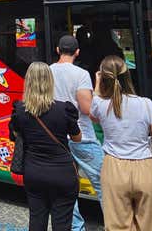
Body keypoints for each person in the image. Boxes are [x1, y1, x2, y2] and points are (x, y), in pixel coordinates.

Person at [90, 55, 152, 230]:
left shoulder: (101, 105)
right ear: (127, 76)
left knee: (118, 225)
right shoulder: (145, 104)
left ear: (103, 77)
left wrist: (97, 84)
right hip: (145, 167)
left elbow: (92, 113)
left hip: (114, 169)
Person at [10, 62, 81, 231]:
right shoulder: (63, 109)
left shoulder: (20, 110)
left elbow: (14, 135)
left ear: (28, 82)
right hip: (63, 173)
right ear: (50, 82)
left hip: (34, 172)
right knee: (62, 223)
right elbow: (77, 138)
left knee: (36, 220)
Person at [49, 35, 102, 231]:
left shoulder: (47, 72)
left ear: (57, 50)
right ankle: (117, 224)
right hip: (82, 136)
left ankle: (76, 227)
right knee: (103, 182)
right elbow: (88, 109)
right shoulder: (81, 74)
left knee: (66, 187)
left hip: (57, 137)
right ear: (77, 52)